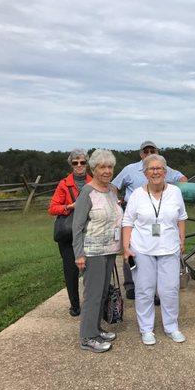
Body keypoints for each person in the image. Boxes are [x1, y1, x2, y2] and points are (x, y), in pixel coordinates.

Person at [122, 154, 187, 345]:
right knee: (144, 290)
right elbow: (127, 221)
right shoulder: (137, 194)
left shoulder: (175, 192)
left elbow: (181, 217)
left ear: (165, 172)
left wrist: (182, 239)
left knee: (170, 290)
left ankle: (171, 327)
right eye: (151, 169)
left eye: (159, 168)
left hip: (169, 248)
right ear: (145, 173)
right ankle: (146, 329)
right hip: (143, 249)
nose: (156, 172)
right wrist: (126, 247)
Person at [112, 140, 187, 300]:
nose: (149, 153)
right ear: (141, 154)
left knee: (158, 256)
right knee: (132, 253)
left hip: (160, 217)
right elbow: (114, 185)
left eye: (152, 150)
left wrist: (180, 189)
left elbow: (182, 178)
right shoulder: (130, 169)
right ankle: (131, 286)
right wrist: (114, 202)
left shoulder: (164, 168)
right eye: (146, 151)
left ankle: (158, 291)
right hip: (136, 215)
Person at [72, 149, 123, 353]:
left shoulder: (112, 190)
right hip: (92, 251)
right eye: (102, 167)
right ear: (94, 169)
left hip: (109, 249)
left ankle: (96, 329)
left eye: (110, 167)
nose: (107, 171)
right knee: (92, 295)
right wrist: (79, 254)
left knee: (102, 293)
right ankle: (87, 337)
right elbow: (77, 226)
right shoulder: (87, 192)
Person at [49, 148, 92, 317]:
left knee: (90, 268)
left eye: (82, 162)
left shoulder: (93, 181)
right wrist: (68, 207)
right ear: (71, 164)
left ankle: (91, 301)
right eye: (76, 162)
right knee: (70, 269)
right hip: (68, 232)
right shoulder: (64, 184)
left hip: (88, 231)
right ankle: (75, 305)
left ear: (87, 163)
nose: (79, 165)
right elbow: (52, 208)